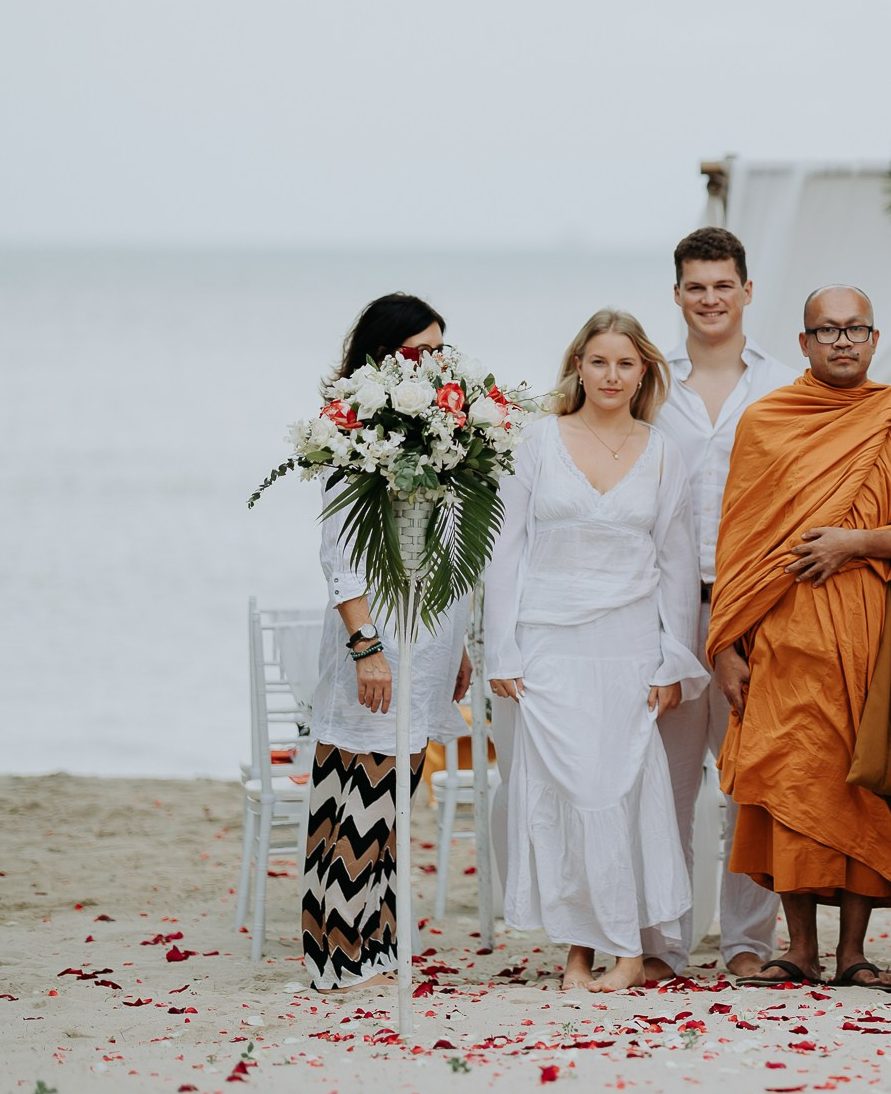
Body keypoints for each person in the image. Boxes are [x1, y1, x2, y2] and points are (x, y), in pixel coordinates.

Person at [706, 286, 891, 989]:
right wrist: (725, 646)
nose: (842, 341)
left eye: (855, 329)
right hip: (780, 634)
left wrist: (858, 542)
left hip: (866, 632)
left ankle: (852, 953)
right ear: (804, 342)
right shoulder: (766, 421)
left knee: (860, 781)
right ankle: (798, 950)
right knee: (789, 778)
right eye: (828, 330)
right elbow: (738, 540)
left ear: (874, 339)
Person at [483, 309, 707, 991]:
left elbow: (676, 564)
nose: (612, 375)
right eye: (600, 361)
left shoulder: (665, 452)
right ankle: (578, 948)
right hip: (549, 643)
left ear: (644, 372)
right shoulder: (536, 441)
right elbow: (504, 551)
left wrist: (674, 659)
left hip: (630, 646)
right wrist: (502, 649)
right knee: (565, 790)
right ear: (579, 366)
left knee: (616, 790)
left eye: (626, 363)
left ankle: (627, 951)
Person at [300, 294, 476, 992]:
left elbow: (452, 548)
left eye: (438, 350)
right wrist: (365, 645)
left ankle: (373, 947)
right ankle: (335, 953)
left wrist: (461, 645)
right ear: (381, 356)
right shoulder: (354, 436)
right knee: (353, 795)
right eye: (415, 351)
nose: (430, 363)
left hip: (430, 642)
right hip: (376, 639)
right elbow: (339, 553)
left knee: (393, 801)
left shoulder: (446, 435)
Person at [653, 227, 797, 980]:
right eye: (696, 287)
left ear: (747, 291)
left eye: (722, 286)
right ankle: (662, 944)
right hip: (667, 611)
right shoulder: (649, 383)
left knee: (749, 783)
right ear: (677, 294)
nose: (710, 299)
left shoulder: (783, 384)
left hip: (757, 610)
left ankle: (747, 944)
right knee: (667, 786)